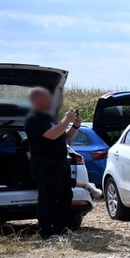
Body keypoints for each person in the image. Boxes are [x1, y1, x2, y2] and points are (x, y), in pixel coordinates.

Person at [24, 87, 80, 240]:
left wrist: (75, 126)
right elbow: (52, 135)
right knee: (48, 198)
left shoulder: (50, 118)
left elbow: (65, 137)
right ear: (36, 100)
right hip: (44, 164)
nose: (51, 100)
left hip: (60, 162)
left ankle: (61, 229)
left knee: (64, 197)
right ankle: (47, 233)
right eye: (46, 97)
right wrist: (66, 120)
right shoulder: (33, 118)